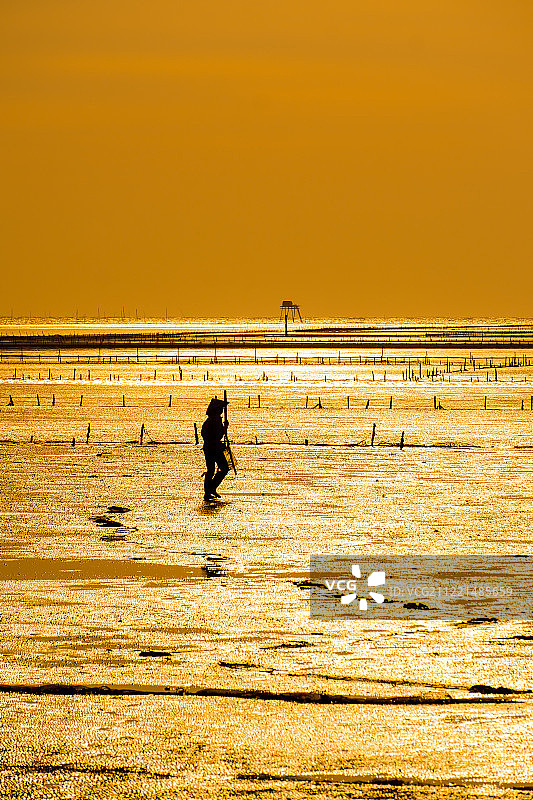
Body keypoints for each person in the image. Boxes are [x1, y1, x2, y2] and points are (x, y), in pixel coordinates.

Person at [201, 397, 229, 501]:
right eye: (220, 408)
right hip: (213, 448)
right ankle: (210, 489)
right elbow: (218, 435)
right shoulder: (214, 421)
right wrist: (224, 428)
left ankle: (209, 489)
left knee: (212, 470)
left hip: (210, 447)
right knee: (222, 468)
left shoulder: (212, 420)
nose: (221, 410)